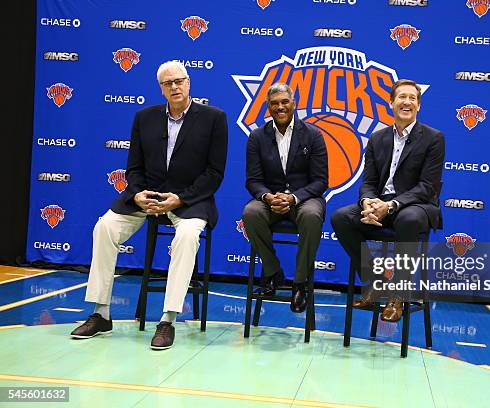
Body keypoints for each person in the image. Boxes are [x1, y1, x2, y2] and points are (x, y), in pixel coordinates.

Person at [70, 61, 228, 349]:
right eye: (168, 83)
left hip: (189, 200)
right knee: (104, 227)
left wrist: (181, 198)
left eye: (179, 81)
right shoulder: (144, 118)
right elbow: (133, 168)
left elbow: (214, 173)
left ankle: (167, 320)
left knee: (188, 235)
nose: (175, 87)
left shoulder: (214, 118)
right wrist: (138, 193)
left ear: (189, 82)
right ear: (161, 89)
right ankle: (100, 313)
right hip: (147, 196)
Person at [331, 79, 444, 322]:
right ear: (391, 103)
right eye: (402, 97)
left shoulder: (434, 138)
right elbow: (368, 182)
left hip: (417, 206)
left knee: (409, 219)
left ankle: (398, 295)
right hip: (381, 204)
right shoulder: (377, 138)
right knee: (341, 217)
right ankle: (375, 281)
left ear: (419, 106)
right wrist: (368, 203)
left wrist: (390, 205)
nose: (407, 102)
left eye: (412, 98)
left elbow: (427, 187)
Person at [242, 82, 328, 313]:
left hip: (304, 199)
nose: (280, 107)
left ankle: (300, 284)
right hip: (269, 200)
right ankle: (272, 272)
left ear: (294, 103)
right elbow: (253, 180)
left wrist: (293, 198)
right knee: (250, 212)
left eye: (284, 102)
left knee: (312, 215)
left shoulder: (313, 135)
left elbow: (321, 181)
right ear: (268, 108)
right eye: (274, 103)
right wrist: (268, 196)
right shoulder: (257, 137)